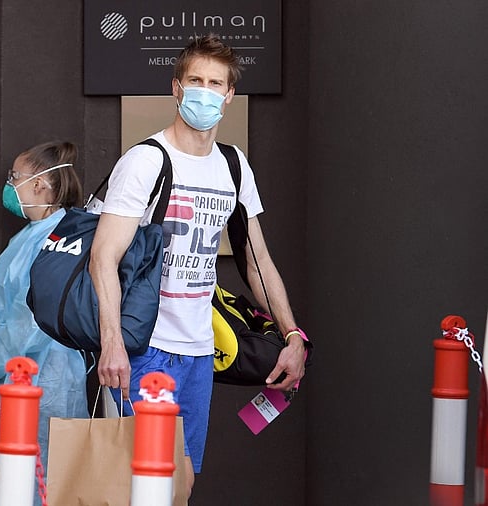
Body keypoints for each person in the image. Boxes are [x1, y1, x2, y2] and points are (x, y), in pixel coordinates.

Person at [89, 34, 308, 499]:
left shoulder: (233, 166)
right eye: (195, 81)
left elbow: (258, 260)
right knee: (150, 485)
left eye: (216, 84)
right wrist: (112, 344)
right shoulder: (146, 161)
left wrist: (292, 334)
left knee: (181, 485)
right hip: (144, 349)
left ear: (229, 96)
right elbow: (102, 257)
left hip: (199, 351)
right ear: (176, 87)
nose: (205, 92)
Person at [0, 141, 88, 506]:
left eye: (15, 177)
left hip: (44, 378)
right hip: (17, 373)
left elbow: (30, 318)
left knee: (33, 480)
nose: (9, 184)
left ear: (40, 185)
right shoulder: (33, 236)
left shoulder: (59, 239)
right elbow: (4, 313)